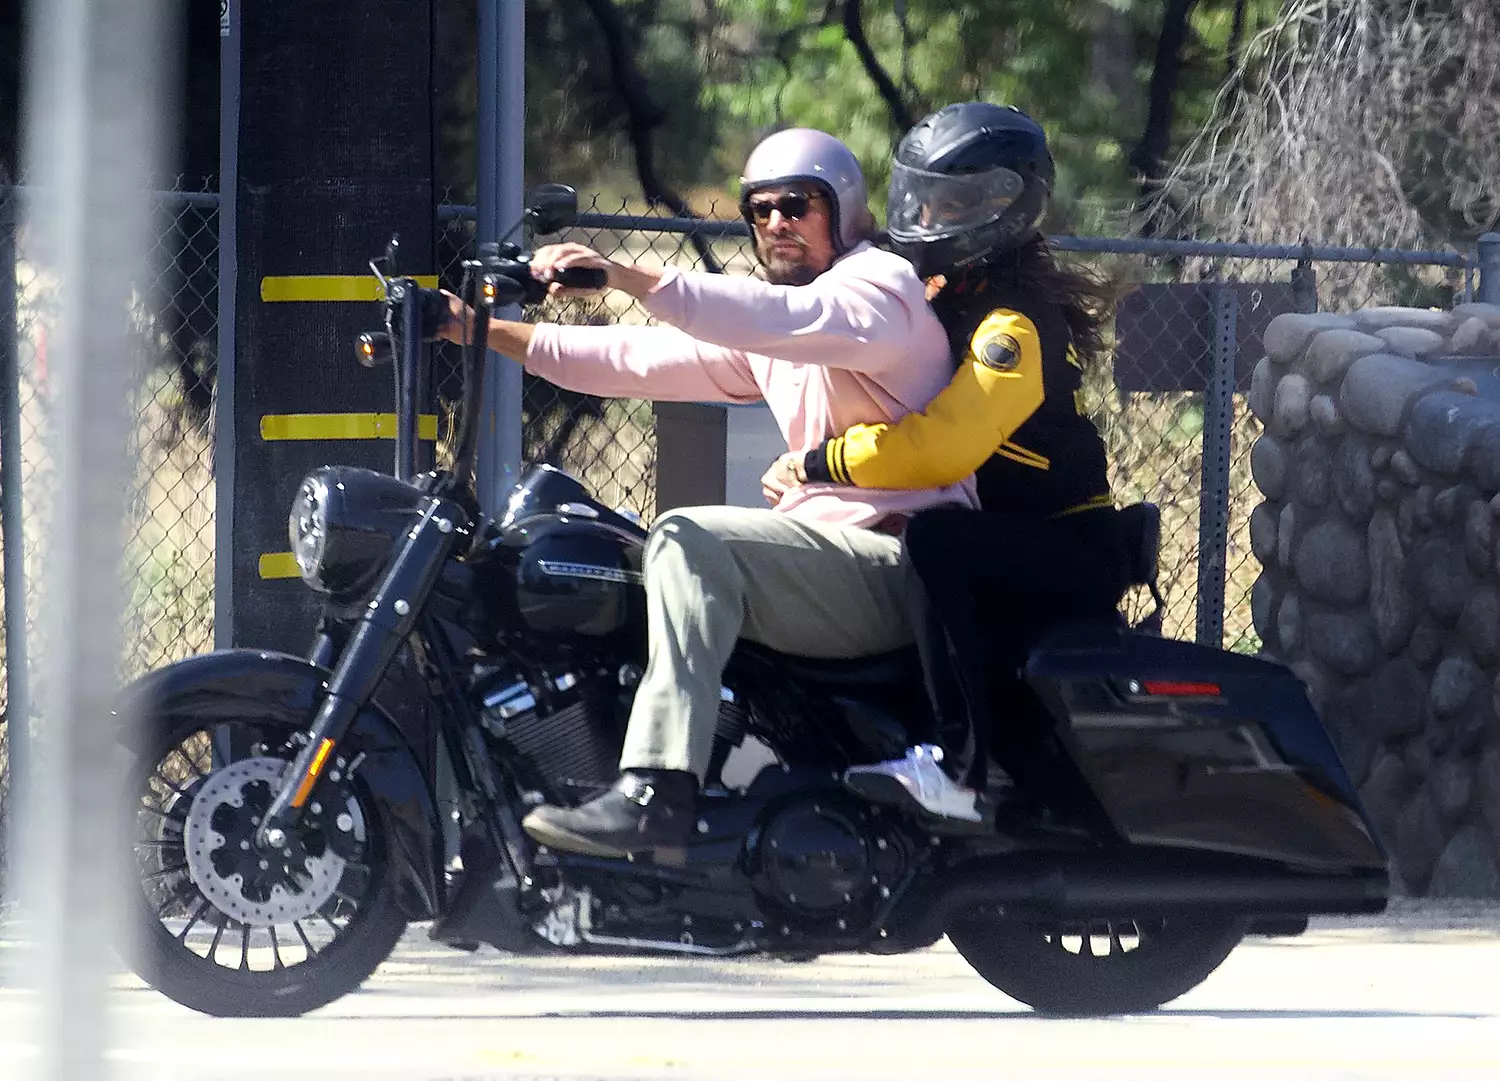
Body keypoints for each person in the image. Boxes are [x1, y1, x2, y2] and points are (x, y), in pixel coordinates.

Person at [438, 128, 978, 858]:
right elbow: (637, 358)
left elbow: (779, 318)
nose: (777, 223)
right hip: (830, 564)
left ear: (844, 210)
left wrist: (626, 276)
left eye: (798, 204)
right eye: (760, 211)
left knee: (690, 539)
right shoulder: (788, 329)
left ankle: (659, 787)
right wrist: (479, 329)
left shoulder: (878, 288)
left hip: (896, 565)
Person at [761, 103, 1129, 825]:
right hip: (1008, 534)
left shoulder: (1011, 321)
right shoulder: (942, 298)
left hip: (1070, 544)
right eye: (922, 195)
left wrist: (817, 462)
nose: (929, 214)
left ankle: (956, 767)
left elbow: (943, 446)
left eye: (955, 200)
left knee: (937, 539)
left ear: (1010, 204)